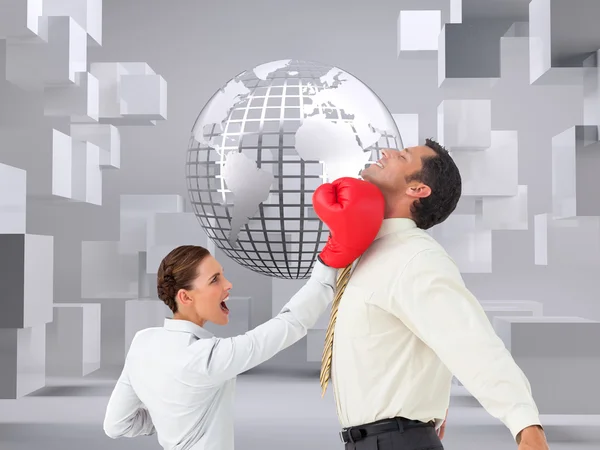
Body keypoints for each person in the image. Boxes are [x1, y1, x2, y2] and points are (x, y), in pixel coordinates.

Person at [102, 177, 385, 450]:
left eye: (222, 276)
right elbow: (292, 323)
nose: (228, 285)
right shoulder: (206, 359)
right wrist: (331, 259)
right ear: (185, 296)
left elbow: (116, 426)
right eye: (214, 280)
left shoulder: (143, 342)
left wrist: (168, 417)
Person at [320, 139, 550, 450]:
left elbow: (470, 341)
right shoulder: (371, 252)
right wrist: (431, 397)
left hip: (395, 442)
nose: (385, 153)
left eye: (401, 156)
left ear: (417, 189)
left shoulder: (416, 258)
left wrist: (526, 425)